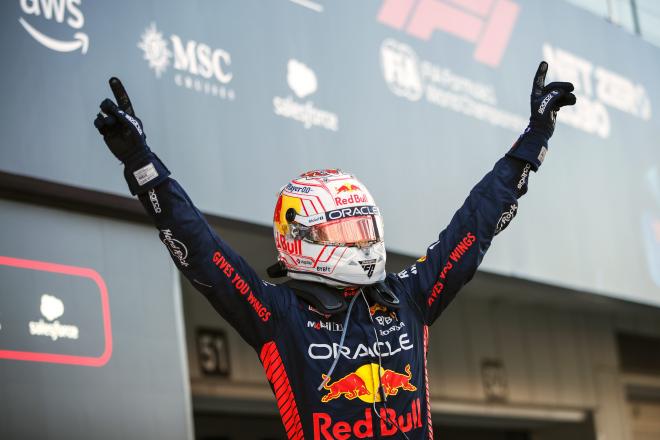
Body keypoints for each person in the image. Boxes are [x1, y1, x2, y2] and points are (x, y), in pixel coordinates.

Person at [94, 62, 575, 440]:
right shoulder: (278, 316)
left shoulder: (408, 298)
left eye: (364, 228)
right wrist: (142, 164)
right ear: (300, 241)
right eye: (346, 232)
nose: (361, 242)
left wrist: (535, 138)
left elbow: (477, 223)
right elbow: (203, 253)